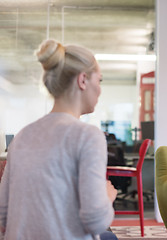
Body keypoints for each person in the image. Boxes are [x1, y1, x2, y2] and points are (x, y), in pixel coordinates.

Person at [0, 39, 118, 240]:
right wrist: (108, 197)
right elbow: (96, 221)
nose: (99, 89)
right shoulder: (88, 136)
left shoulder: (21, 137)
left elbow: (3, 217)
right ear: (83, 80)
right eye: (99, 80)